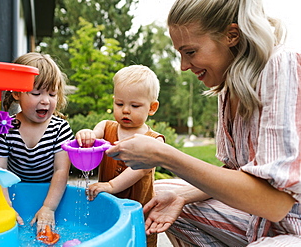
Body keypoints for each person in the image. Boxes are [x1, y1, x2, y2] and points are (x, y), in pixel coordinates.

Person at [106, 0, 301, 246]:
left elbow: (275, 203)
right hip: (255, 221)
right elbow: (233, 171)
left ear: (232, 35)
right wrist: (182, 196)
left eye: (190, 52)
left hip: (291, 227)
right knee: (161, 196)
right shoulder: (228, 87)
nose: (183, 66)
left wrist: (164, 155)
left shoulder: (281, 65)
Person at [76, 65, 165, 247]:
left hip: (139, 214)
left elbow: (138, 170)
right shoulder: (105, 127)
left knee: (137, 242)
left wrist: (111, 185)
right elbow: (92, 137)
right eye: (119, 104)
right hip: (108, 207)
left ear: (152, 107)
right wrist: (86, 135)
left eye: (135, 105)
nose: (125, 110)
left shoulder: (154, 141)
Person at [0, 52, 73, 233]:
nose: (45, 100)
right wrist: (4, 206)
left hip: (50, 196)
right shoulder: (6, 128)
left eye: (52, 93)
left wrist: (49, 207)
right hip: (16, 196)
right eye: (36, 93)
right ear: (17, 92)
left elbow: (61, 171)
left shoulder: (60, 129)